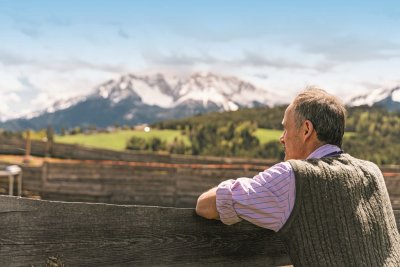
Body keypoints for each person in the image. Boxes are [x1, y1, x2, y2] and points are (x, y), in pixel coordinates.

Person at [196, 87, 400, 266]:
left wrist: (247, 184)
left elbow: (206, 205)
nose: (281, 138)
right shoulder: (372, 172)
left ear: (306, 130)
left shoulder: (293, 176)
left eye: (285, 128)